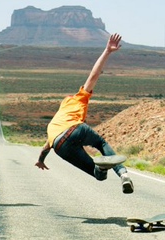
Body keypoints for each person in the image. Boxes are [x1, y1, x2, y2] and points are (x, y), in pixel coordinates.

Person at [35, 33, 134, 194]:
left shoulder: (54, 123)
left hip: (60, 145)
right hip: (76, 129)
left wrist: (40, 161)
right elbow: (93, 75)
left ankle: (101, 169)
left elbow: (46, 147)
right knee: (100, 143)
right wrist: (107, 51)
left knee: (99, 176)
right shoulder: (77, 99)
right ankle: (123, 174)